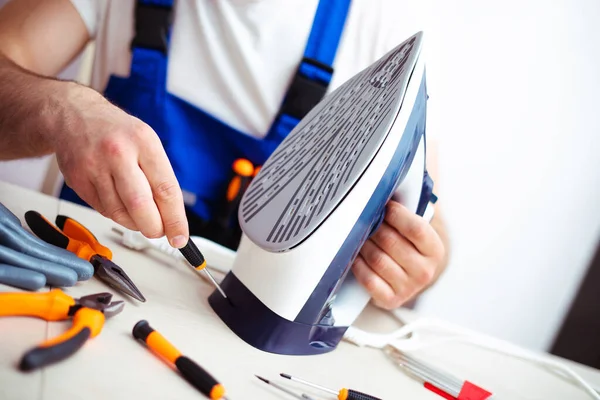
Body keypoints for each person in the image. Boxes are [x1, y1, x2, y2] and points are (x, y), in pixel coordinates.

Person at [0, 0, 449, 310]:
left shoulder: (382, 34)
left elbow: (430, 226)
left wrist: (408, 263)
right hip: (76, 284)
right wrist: (59, 110)